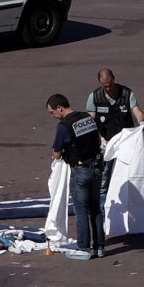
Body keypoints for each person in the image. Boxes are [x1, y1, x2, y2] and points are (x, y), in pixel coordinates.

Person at [47, 93, 105, 259]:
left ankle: (83, 248)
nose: (53, 116)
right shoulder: (87, 117)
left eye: (52, 112)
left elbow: (57, 153)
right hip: (96, 168)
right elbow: (97, 139)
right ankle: (99, 247)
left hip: (80, 170)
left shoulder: (64, 126)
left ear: (60, 108)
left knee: (81, 210)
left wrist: (58, 153)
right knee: (96, 209)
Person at [86, 68, 144, 194]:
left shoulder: (127, 94)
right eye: (105, 87)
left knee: (126, 172)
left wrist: (141, 122)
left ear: (114, 79)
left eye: (110, 85)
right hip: (105, 141)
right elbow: (90, 122)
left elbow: (137, 111)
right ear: (99, 83)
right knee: (104, 174)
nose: (108, 89)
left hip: (125, 141)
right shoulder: (95, 97)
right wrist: (99, 139)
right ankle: (103, 202)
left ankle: (126, 197)